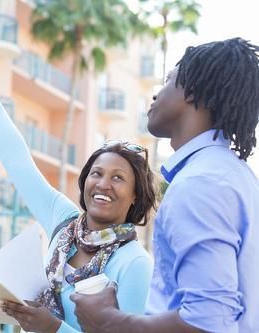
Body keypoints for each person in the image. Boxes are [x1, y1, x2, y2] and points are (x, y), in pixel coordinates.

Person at [0, 46, 157, 333]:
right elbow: (20, 166)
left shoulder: (135, 263)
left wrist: (54, 329)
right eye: (96, 173)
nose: (103, 184)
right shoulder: (64, 221)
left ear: (136, 194)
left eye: (118, 178)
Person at [70, 37, 259, 333]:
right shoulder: (235, 176)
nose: (156, 95)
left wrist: (110, 322)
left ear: (194, 90)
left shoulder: (200, 184)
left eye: (169, 80)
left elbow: (210, 320)